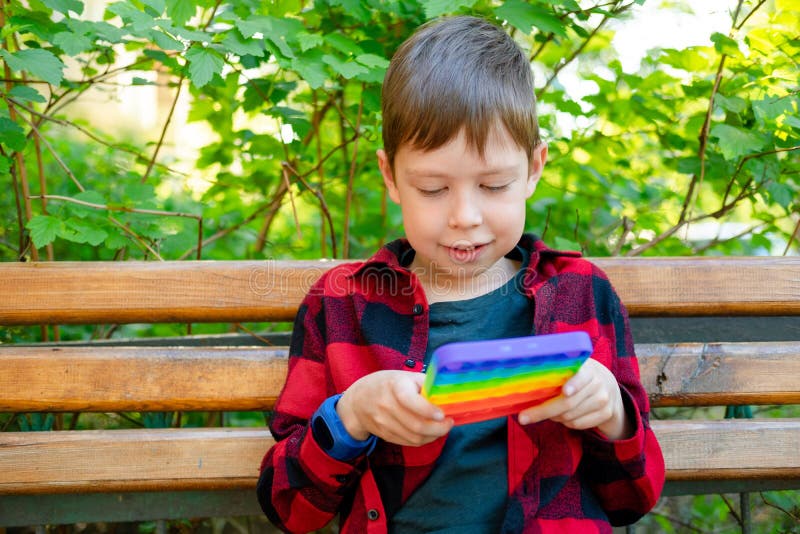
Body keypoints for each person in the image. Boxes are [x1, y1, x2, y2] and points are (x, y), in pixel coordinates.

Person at [257, 15, 664, 533]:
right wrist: (350, 416)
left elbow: (636, 496)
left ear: (534, 168)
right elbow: (290, 508)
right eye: (432, 188)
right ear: (390, 176)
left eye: (493, 186)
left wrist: (614, 413)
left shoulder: (581, 295)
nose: (464, 216)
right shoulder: (342, 304)